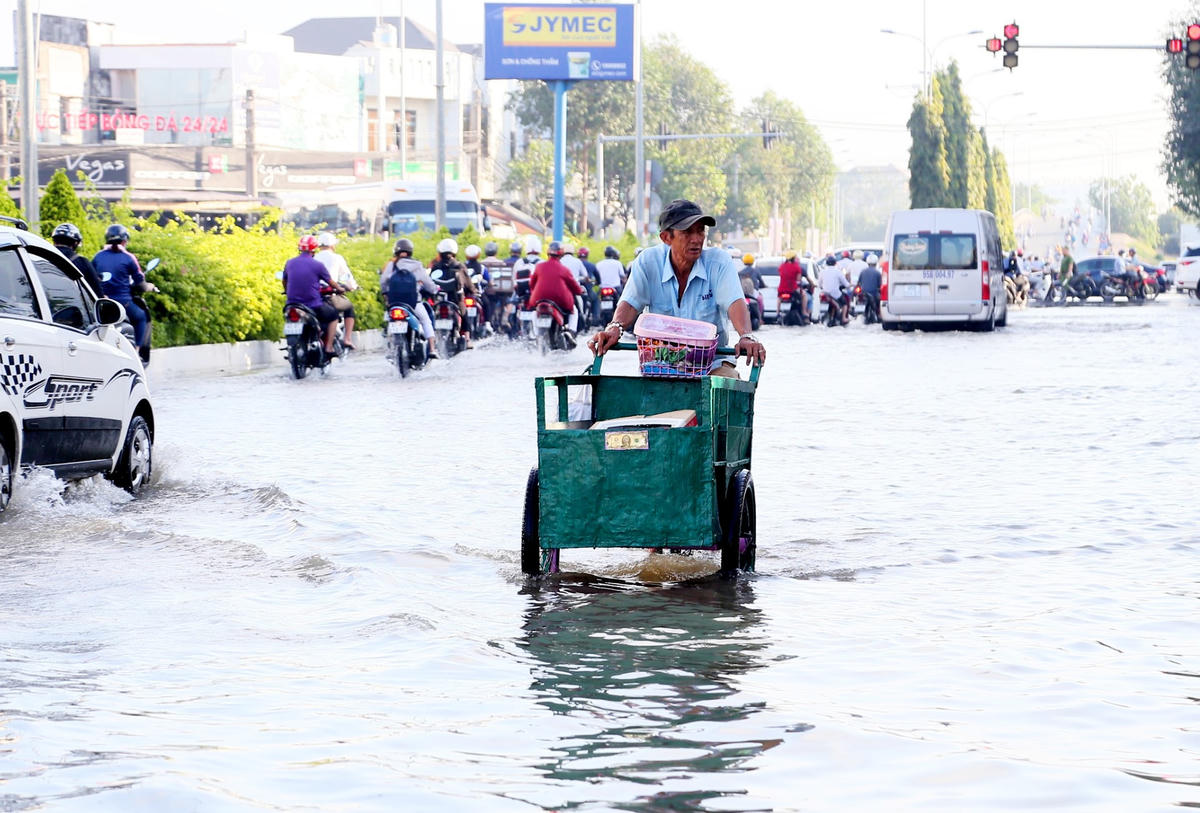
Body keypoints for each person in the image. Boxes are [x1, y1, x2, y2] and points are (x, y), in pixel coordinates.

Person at [589, 198, 765, 377]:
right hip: (660, 365)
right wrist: (615, 327)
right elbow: (631, 302)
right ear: (666, 237)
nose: (697, 239)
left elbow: (734, 301)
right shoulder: (648, 262)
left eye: (700, 231)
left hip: (712, 364)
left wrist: (746, 336)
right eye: (687, 232)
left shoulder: (719, 262)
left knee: (726, 381)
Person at [93, 224, 158, 351]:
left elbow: (93, 277)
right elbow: (141, 284)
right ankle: (137, 351)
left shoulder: (98, 256)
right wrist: (150, 287)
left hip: (103, 302)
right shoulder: (128, 258)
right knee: (141, 317)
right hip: (124, 303)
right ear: (124, 241)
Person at [283, 234, 343, 354]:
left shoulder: (290, 263)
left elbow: (284, 281)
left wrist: (287, 291)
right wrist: (340, 289)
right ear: (314, 249)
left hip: (292, 304)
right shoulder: (317, 265)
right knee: (333, 316)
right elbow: (330, 281)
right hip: (312, 304)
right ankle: (329, 347)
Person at [380, 237, 438, 358]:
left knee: (388, 322)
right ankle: (432, 349)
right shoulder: (417, 265)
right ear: (410, 251)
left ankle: (390, 350)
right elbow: (428, 284)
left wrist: (385, 294)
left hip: (394, 303)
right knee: (426, 321)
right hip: (413, 303)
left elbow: (383, 281)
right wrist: (434, 290)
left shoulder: (392, 265)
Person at [313, 231, 358, 350]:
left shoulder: (314, 258)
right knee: (349, 307)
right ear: (333, 245)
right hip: (330, 296)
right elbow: (346, 276)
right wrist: (352, 286)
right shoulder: (337, 258)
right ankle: (347, 339)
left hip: (314, 296)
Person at [429, 237, 478, 345]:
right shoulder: (459, 266)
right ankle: (467, 339)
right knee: (464, 314)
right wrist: (473, 291)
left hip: (439, 299)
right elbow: (468, 283)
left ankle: (430, 339)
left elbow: (430, 282)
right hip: (456, 299)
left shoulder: (436, 266)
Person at [529, 240, 583, 334]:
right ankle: (571, 332)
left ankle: (536, 334)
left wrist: (535, 292)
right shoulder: (564, 269)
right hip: (560, 300)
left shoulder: (539, 267)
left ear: (548, 253)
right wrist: (579, 291)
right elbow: (574, 286)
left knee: (534, 312)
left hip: (539, 299)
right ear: (561, 254)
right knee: (574, 310)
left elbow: (532, 284)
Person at [51, 222, 103, 297]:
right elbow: (97, 291)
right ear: (76, 243)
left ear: (54, 241)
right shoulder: (82, 262)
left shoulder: (41, 257)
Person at [777, 249, 810, 324]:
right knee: (804, 296)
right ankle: (804, 311)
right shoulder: (797, 267)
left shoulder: (781, 266)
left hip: (782, 289)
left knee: (779, 298)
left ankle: (777, 312)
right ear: (793, 258)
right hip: (793, 290)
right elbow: (798, 280)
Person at [819, 254, 851, 325]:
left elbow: (819, 284)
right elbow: (846, 284)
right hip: (835, 294)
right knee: (845, 303)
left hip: (825, 293)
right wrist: (850, 285)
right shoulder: (838, 272)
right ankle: (843, 318)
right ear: (835, 263)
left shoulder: (822, 271)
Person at [857, 253, 883, 321]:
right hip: (874, 294)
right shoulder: (878, 273)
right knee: (880, 302)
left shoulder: (862, 271)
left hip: (863, 294)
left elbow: (859, 283)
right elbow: (880, 285)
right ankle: (878, 314)